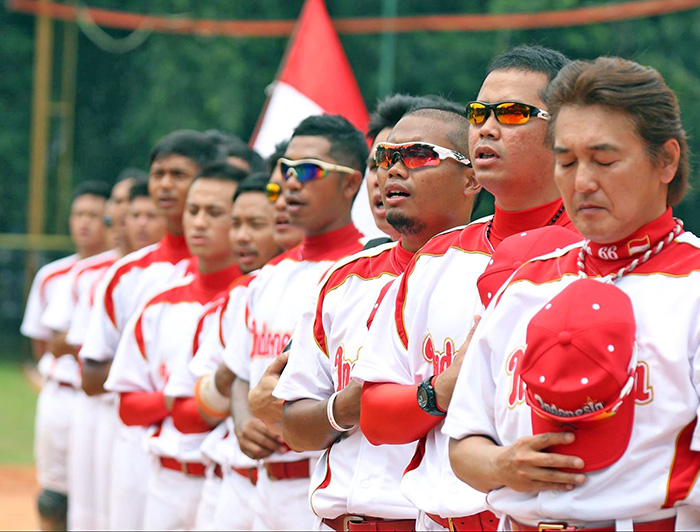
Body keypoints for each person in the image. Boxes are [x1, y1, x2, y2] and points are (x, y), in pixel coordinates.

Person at [445, 55, 699, 531]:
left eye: (604, 160)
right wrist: (502, 466)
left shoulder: (693, 286)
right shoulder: (525, 283)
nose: (582, 182)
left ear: (666, 160)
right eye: (566, 161)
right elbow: (463, 442)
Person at [352, 45, 577, 532]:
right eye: (479, 113)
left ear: (566, 130)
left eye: (513, 113)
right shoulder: (435, 257)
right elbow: (375, 416)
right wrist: (444, 390)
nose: (487, 128)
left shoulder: (597, 256)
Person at [274, 99, 480, 531]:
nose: (393, 170)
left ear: (472, 177)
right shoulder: (343, 280)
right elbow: (292, 426)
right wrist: (344, 408)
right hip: (337, 520)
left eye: (418, 155)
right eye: (385, 158)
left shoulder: (496, 274)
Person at [225, 114, 368, 530]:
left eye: (308, 171)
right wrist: (243, 421)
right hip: (258, 487)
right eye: (286, 169)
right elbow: (239, 373)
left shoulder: (366, 271)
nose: (291, 182)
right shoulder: (266, 278)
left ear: (350, 183)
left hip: (320, 485)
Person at [79, 129, 221, 530]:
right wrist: (180, 396)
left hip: (216, 453)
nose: (164, 184)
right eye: (158, 174)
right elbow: (92, 377)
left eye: (178, 174)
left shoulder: (241, 273)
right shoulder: (127, 274)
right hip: (138, 448)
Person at [105, 163, 245, 530]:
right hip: (166, 480)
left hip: (231, 480)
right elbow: (127, 407)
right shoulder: (158, 304)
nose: (199, 223)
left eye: (215, 213)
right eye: (193, 211)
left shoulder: (254, 299)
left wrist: (179, 404)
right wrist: (175, 402)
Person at [164, 173, 291, 531]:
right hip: (231, 478)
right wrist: (239, 406)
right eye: (236, 223)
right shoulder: (240, 296)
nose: (242, 236)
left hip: (297, 482)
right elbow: (188, 415)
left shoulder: (320, 284)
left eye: (255, 224)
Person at [21, 180, 111, 531]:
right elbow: (42, 344)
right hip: (59, 393)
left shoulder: (118, 271)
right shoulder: (53, 275)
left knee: (96, 500)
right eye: (78, 214)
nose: (84, 222)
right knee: (53, 497)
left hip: (98, 400)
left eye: (94, 214)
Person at [123, 175, 167, 252]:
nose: (142, 223)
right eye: (135, 215)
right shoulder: (118, 264)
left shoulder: (186, 263)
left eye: (151, 216)